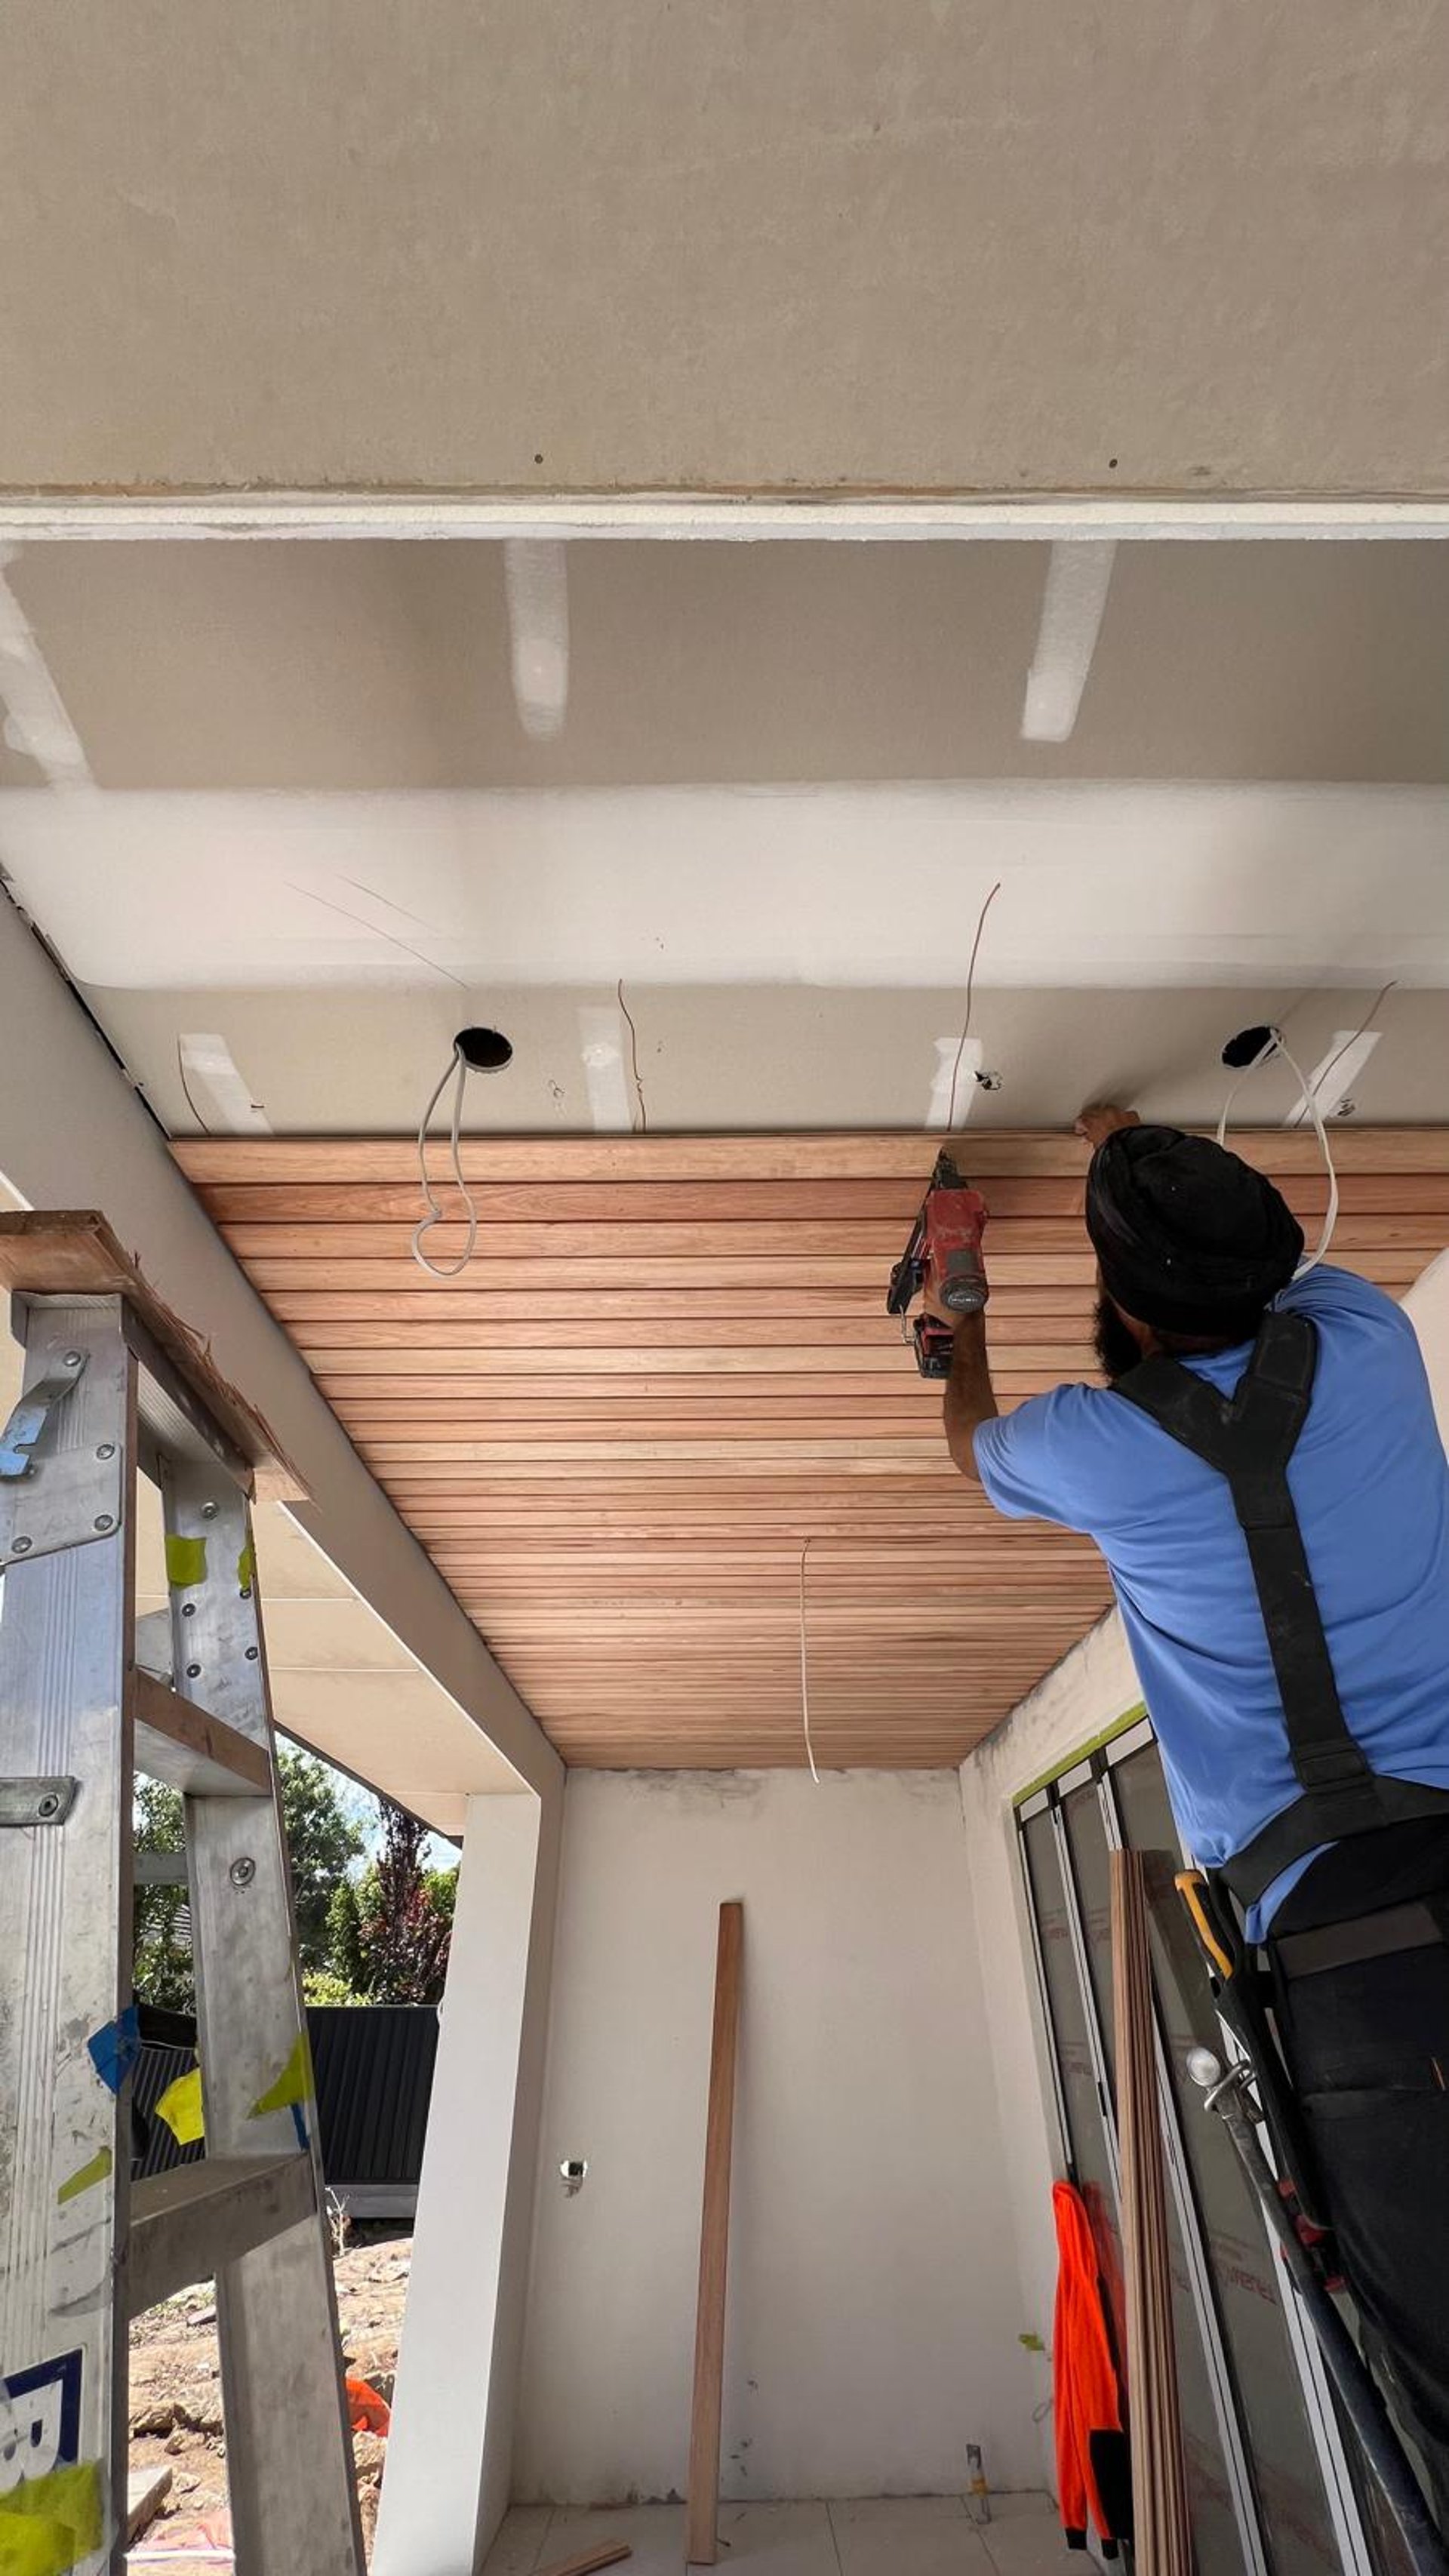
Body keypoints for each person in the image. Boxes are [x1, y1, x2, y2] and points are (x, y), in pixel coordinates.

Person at [930, 1104, 1449, 2526]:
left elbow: (968, 1438)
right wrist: (1142, 1155)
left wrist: (956, 1299)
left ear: (1124, 1307)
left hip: (1362, 1974)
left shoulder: (1095, 1449)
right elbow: (1263, 1290)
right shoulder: (1371, 1337)